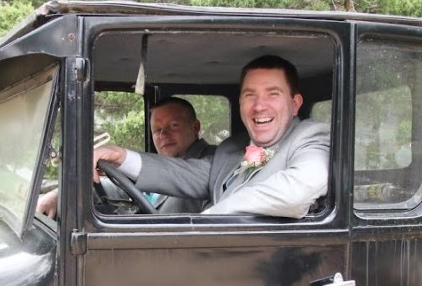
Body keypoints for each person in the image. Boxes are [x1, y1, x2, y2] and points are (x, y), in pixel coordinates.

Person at [93, 55, 330, 218]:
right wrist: (121, 156)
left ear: (295, 103)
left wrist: (208, 221)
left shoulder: (311, 137)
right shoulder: (231, 149)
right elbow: (182, 173)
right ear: (240, 104)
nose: (259, 107)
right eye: (250, 95)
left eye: (272, 94)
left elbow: (297, 192)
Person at [37, 97, 215, 217]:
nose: (163, 135)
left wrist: (120, 156)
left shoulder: (212, 162)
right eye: (157, 130)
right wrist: (61, 194)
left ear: (195, 127)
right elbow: (127, 189)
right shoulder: (159, 163)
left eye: (173, 126)